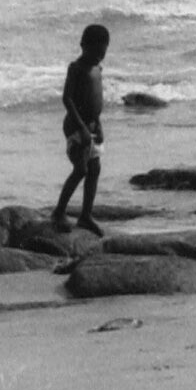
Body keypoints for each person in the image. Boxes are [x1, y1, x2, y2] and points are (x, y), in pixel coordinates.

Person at [54, 23, 109, 235]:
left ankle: (86, 215)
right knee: (81, 169)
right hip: (76, 126)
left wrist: (99, 126)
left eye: (102, 53)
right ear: (83, 46)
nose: (99, 57)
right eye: (96, 53)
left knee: (95, 169)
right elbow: (67, 99)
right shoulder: (76, 68)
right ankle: (59, 212)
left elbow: (95, 102)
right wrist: (82, 128)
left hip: (92, 125)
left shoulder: (98, 69)